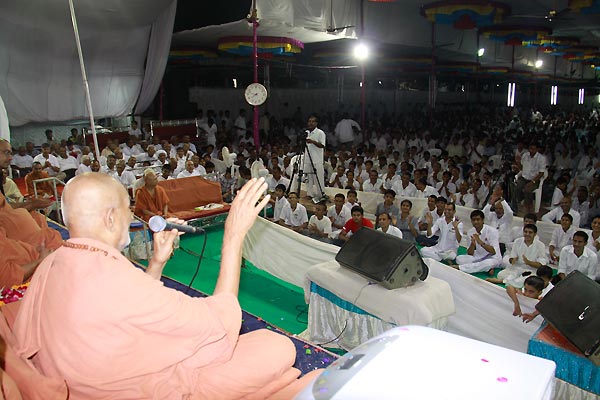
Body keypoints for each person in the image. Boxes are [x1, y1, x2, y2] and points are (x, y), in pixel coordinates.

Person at [13, 173, 318, 399]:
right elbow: (219, 320)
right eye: (127, 209)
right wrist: (233, 236)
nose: (132, 216)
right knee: (277, 347)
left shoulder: (51, 264)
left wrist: (157, 263)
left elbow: (127, 308)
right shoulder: (117, 279)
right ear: (110, 218)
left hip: (93, 378)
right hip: (144, 388)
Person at [487, 224, 548, 288]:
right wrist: (512, 260)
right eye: (525, 232)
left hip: (531, 270)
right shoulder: (517, 241)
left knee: (527, 281)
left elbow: (541, 265)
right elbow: (512, 258)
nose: (527, 234)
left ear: (535, 234)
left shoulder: (540, 245)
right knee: (501, 274)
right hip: (517, 267)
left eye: (530, 232)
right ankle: (509, 280)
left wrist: (529, 262)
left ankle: (502, 281)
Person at [303, 115, 326, 199]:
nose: (311, 123)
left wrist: (312, 141)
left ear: (316, 123)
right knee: (308, 178)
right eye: (309, 121)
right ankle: (309, 194)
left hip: (317, 160)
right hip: (307, 159)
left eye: (313, 121)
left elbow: (322, 145)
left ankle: (321, 194)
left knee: (319, 178)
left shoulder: (320, 133)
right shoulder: (306, 132)